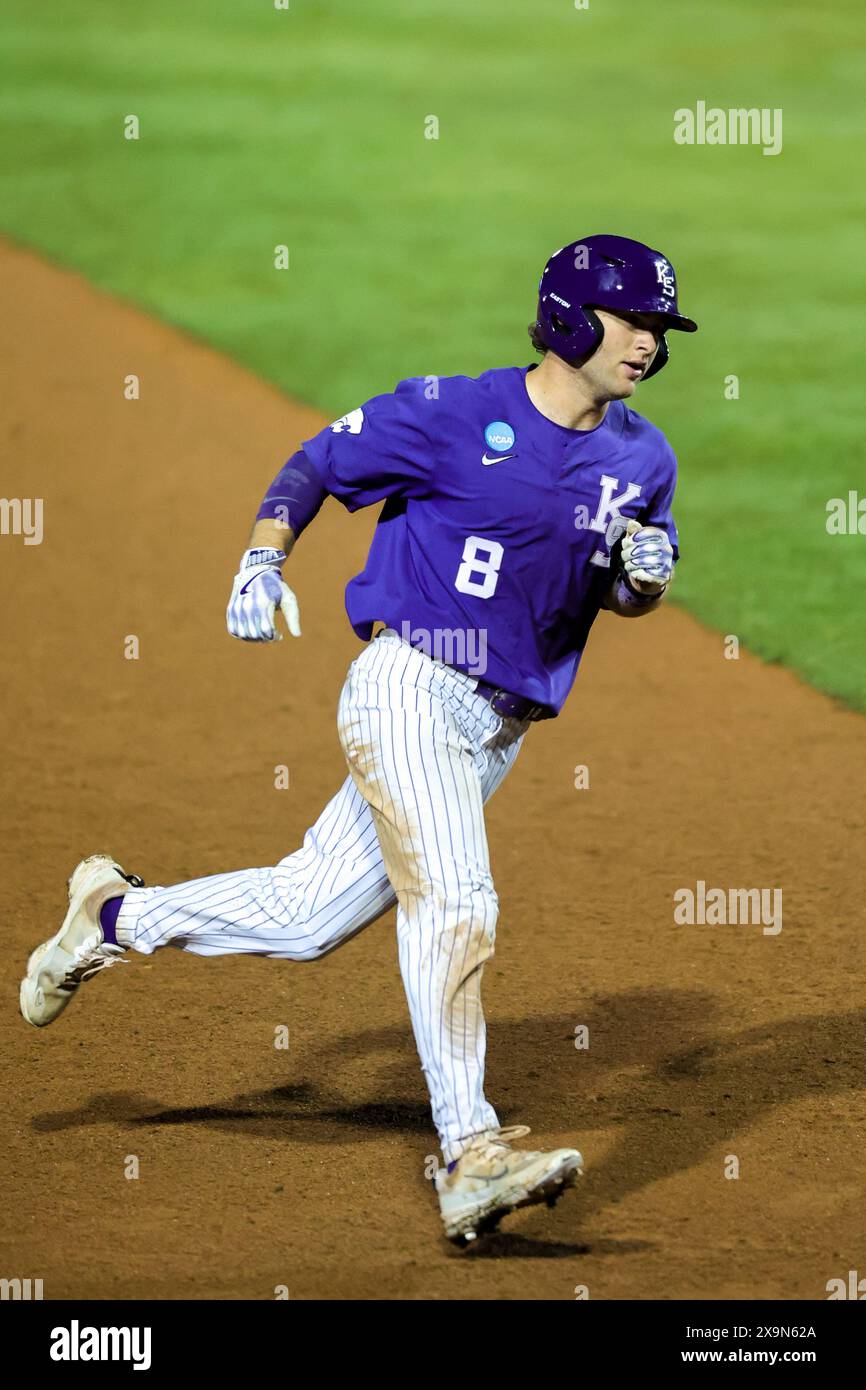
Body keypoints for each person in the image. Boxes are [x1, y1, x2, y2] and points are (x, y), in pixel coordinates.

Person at [20, 234, 698, 1243]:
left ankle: (113, 915)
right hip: (407, 684)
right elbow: (318, 463)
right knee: (458, 898)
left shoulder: (642, 458)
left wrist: (641, 580)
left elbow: (614, 591)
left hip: (496, 727)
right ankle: (469, 1155)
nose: (647, 343)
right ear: (566, 317)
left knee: (305, 914)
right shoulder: (450, 413)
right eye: (631, 320)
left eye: (659, 328)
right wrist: (261, 560)